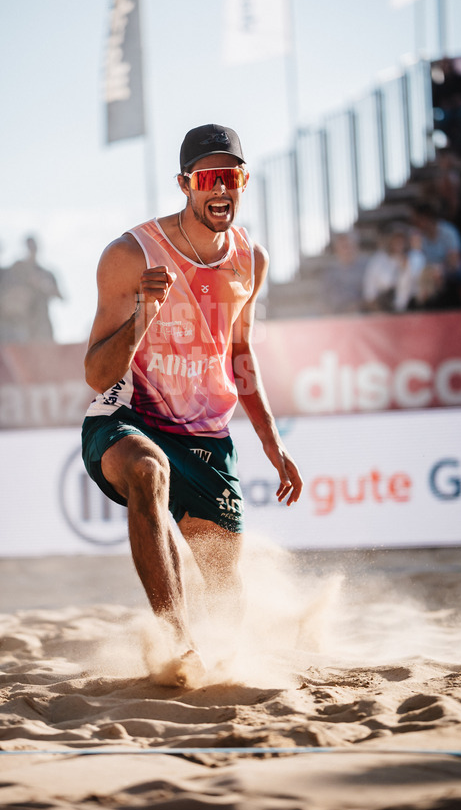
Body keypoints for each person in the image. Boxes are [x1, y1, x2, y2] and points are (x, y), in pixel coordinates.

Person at [81, 124, 303, 686]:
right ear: (184, 184)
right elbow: (96, 374)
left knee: (227, 592)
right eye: (207, 178)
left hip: (205, 435)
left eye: (231, 176)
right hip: (128, 415)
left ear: (243, 181)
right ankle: (176, 643)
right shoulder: (130, 255)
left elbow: (240, 353)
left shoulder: (250, 259)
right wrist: (143, 315)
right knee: (148, 471)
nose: (220, 188)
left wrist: (272, 442)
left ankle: (214, 651)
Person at [362, 223, 425, 313]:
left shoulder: (414, 259)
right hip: (382, 311)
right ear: (389, 240)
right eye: (395, 239)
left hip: (408, 311)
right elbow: (369, 292)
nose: (399, 242)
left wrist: (406, 268)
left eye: (401, 239)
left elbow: (418, 290)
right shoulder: (378, 260)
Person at [10, 236, 63, 342]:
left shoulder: (46, 273)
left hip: (43, 322)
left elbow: (61, 296)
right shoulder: (18, 269)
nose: (32, 249)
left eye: (33, 246)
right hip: (23, 323)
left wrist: (44, 286)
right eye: (29, 246)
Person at [318, 231, 368, 315]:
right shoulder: (329, 273)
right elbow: (322, 300)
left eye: (348, 246)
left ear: (355, 247)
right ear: (336, 249)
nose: (346, 250)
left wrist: (357, 307)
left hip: (360, 315)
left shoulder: (366, 269)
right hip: (336, 316)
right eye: (343, 247)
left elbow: (370, 298)